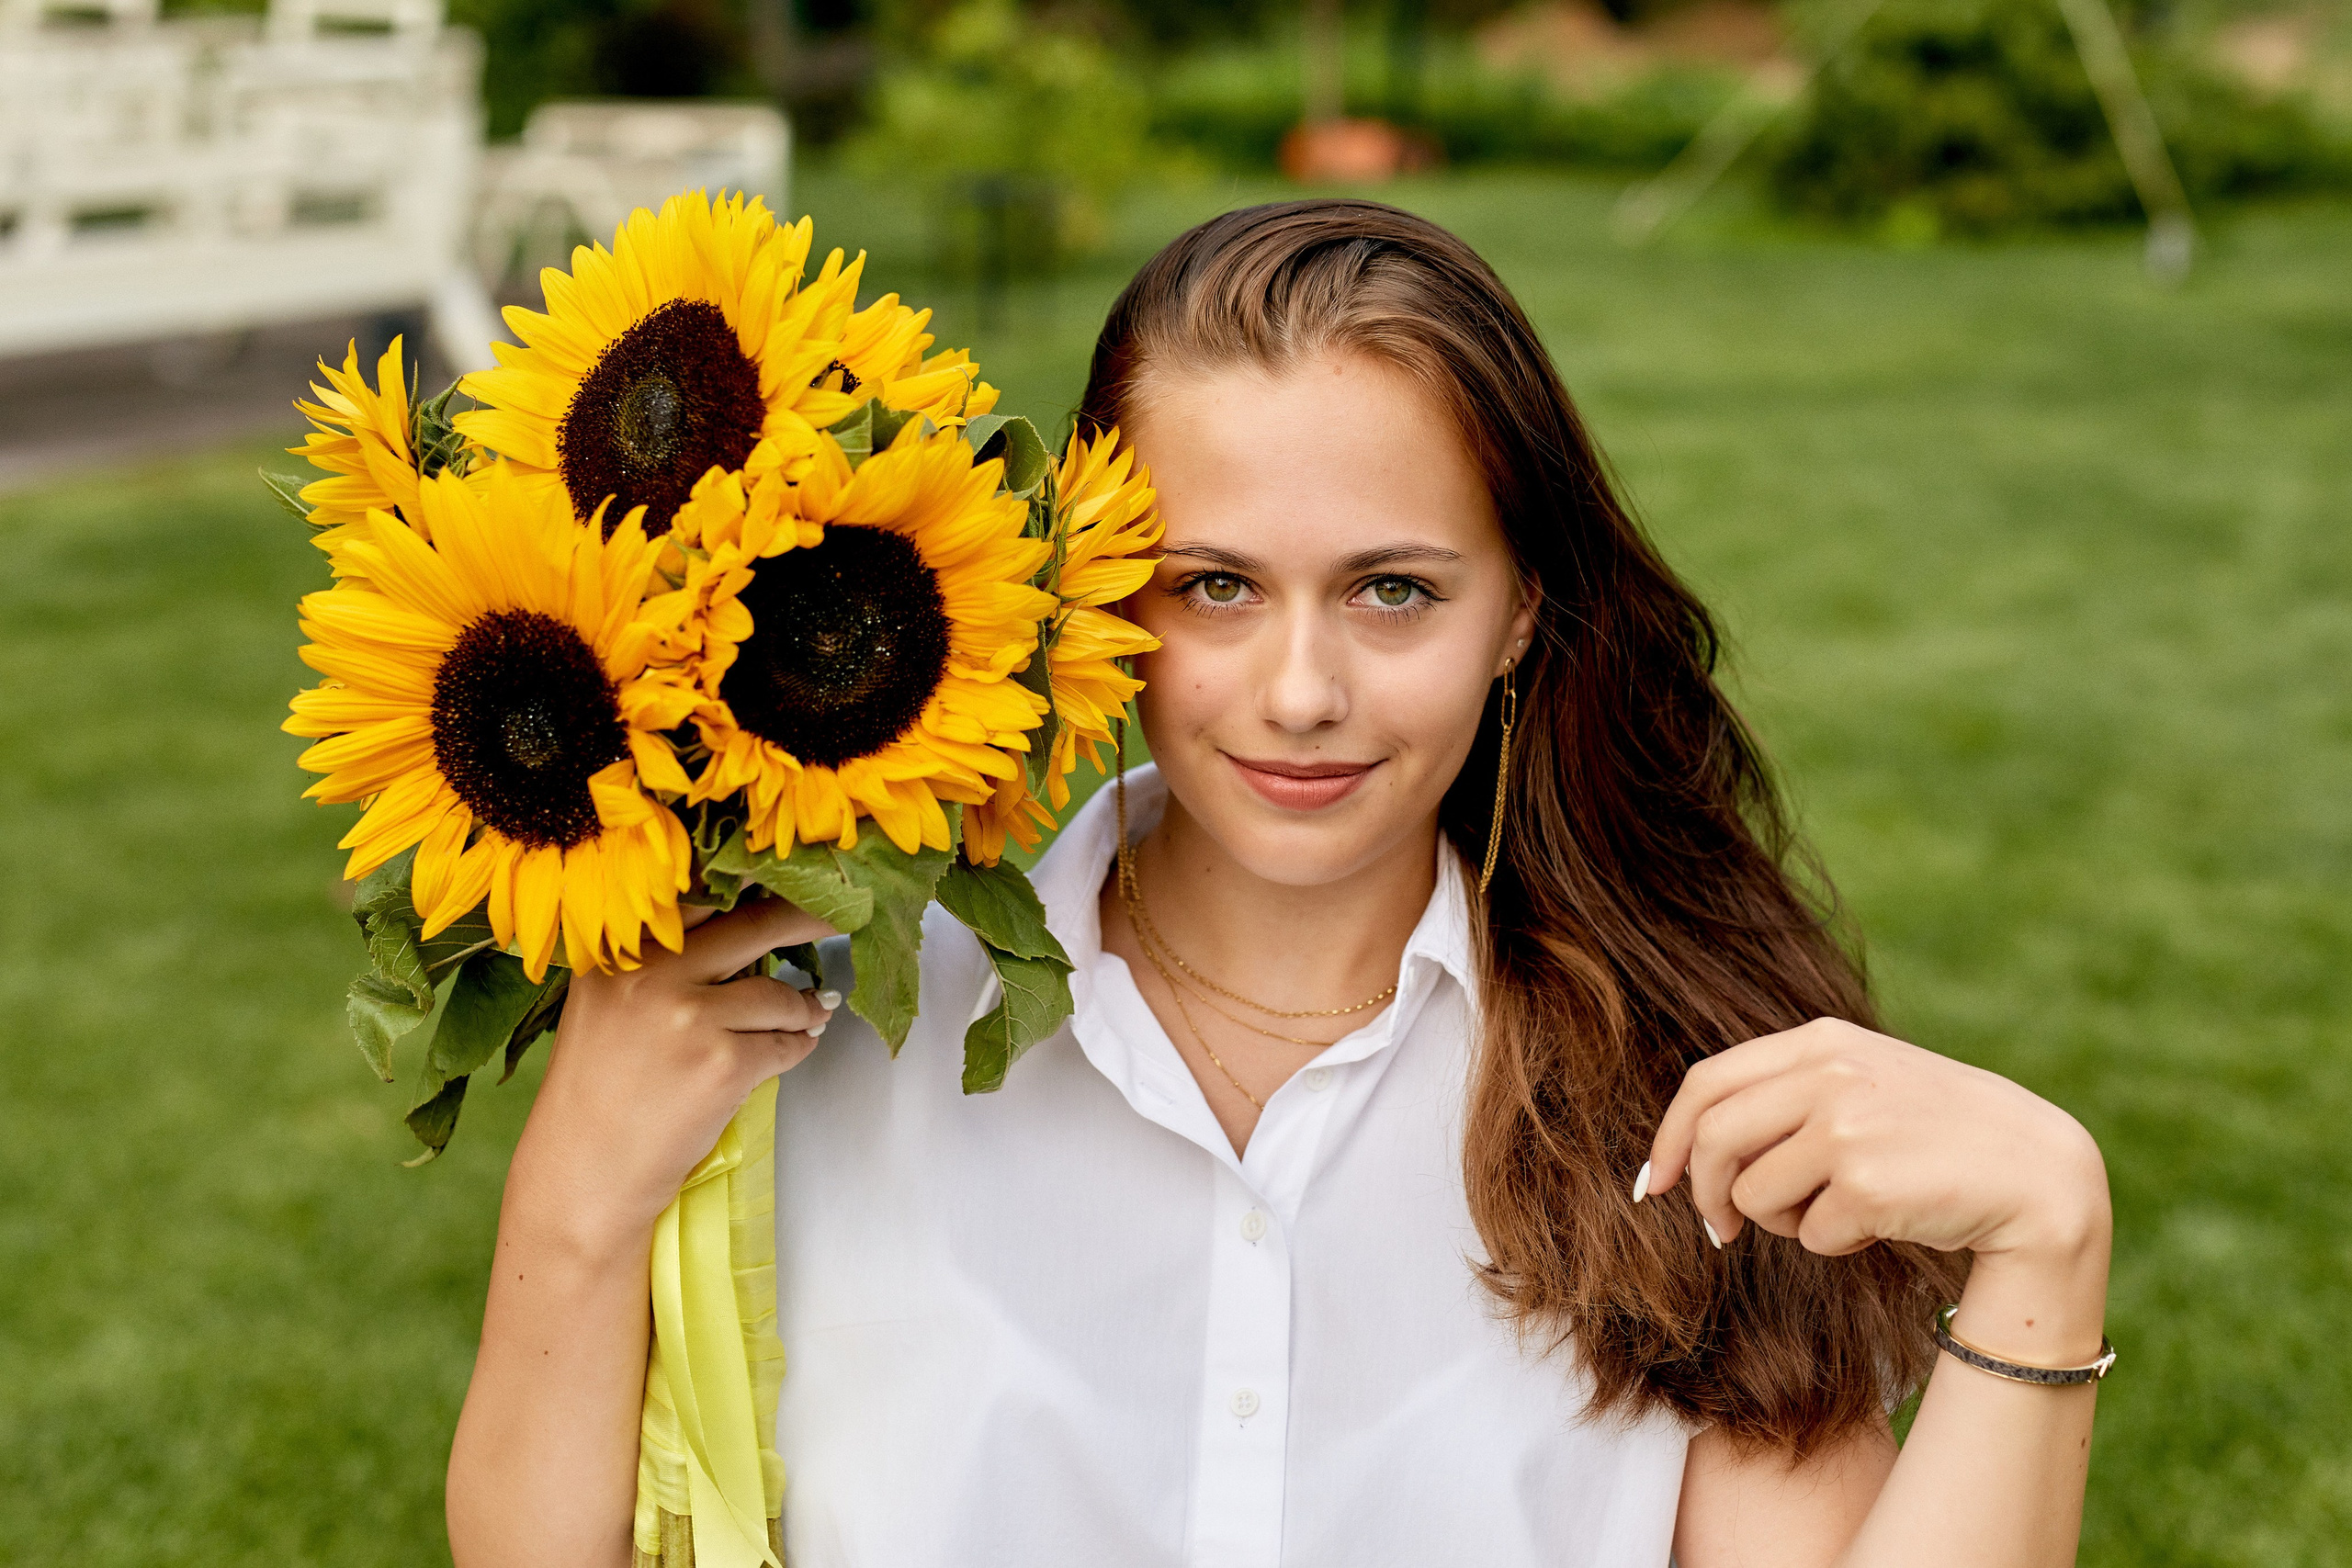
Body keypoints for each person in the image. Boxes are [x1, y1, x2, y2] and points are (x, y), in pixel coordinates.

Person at [446, 200, 2114, 1568]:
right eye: (1216, 588)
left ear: (1522, 612)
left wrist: (2050, 1238)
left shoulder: (1678, 1095)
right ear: (1092, 590)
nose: (1302, 693)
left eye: (1393, 591)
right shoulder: (805, 1025)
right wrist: (574, 1198)